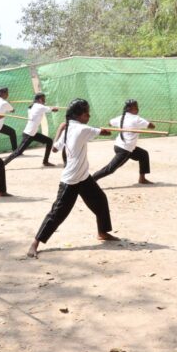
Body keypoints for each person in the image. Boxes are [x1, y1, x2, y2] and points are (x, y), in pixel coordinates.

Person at [27, 99, 119, 258]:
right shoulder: (81, 129)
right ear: (78, 115)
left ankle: (102, 232)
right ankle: (34, 244)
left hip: (83, 177)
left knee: (100, 200)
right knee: (57, 213)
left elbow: (55, 148)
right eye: (86, 113)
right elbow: (106, 132)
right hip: (70, 180)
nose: (89, 115)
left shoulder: (69, 128)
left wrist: (61, 129)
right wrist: (107, 129)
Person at [92, 99, 156, 184]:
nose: (138, 109)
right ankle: (92, 179)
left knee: (143, 154)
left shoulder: (121, 117)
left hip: (119, 146)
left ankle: (142, 179)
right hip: (125, 149)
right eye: (136, 107)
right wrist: (146, 121)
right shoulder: (137, 119)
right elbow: (152, 126)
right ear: (132, 108)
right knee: (110, 169)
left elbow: (110, 123)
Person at [3, 93, 58, 167]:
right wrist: (55, 108)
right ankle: (2, 164)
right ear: (39, 99)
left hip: (33, 133)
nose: (44, 100)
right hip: (28, 134)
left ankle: (45, 161)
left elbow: (42, 107)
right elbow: (53, 109)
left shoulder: (33, 107)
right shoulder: (39, 106)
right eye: (43, 99)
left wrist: (40, 104)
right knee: (18, 152)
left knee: (49, 141)